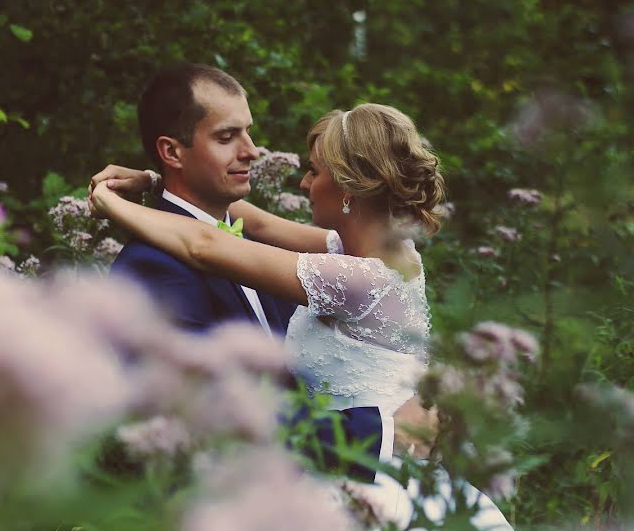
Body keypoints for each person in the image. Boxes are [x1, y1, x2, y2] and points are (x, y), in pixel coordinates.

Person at [90, 101, 516, 531]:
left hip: (371, 475)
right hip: (357, 461)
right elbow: (251, 221)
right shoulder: (377, 253)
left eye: (314, 172)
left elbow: (204, 245)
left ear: (348, 188)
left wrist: (108, 201)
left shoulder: (358, 279)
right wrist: (155, 182)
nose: (304, 182)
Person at [95, 64, 435, 484]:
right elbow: (204, 410)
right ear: (172, 152)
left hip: (346, 480)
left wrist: (126, 194)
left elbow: (213, 240)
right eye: (227, 136)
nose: (252, 150)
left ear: (351, 188)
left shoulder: (332, 267)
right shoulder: (153, 267)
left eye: (248, 132)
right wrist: (148, 185)